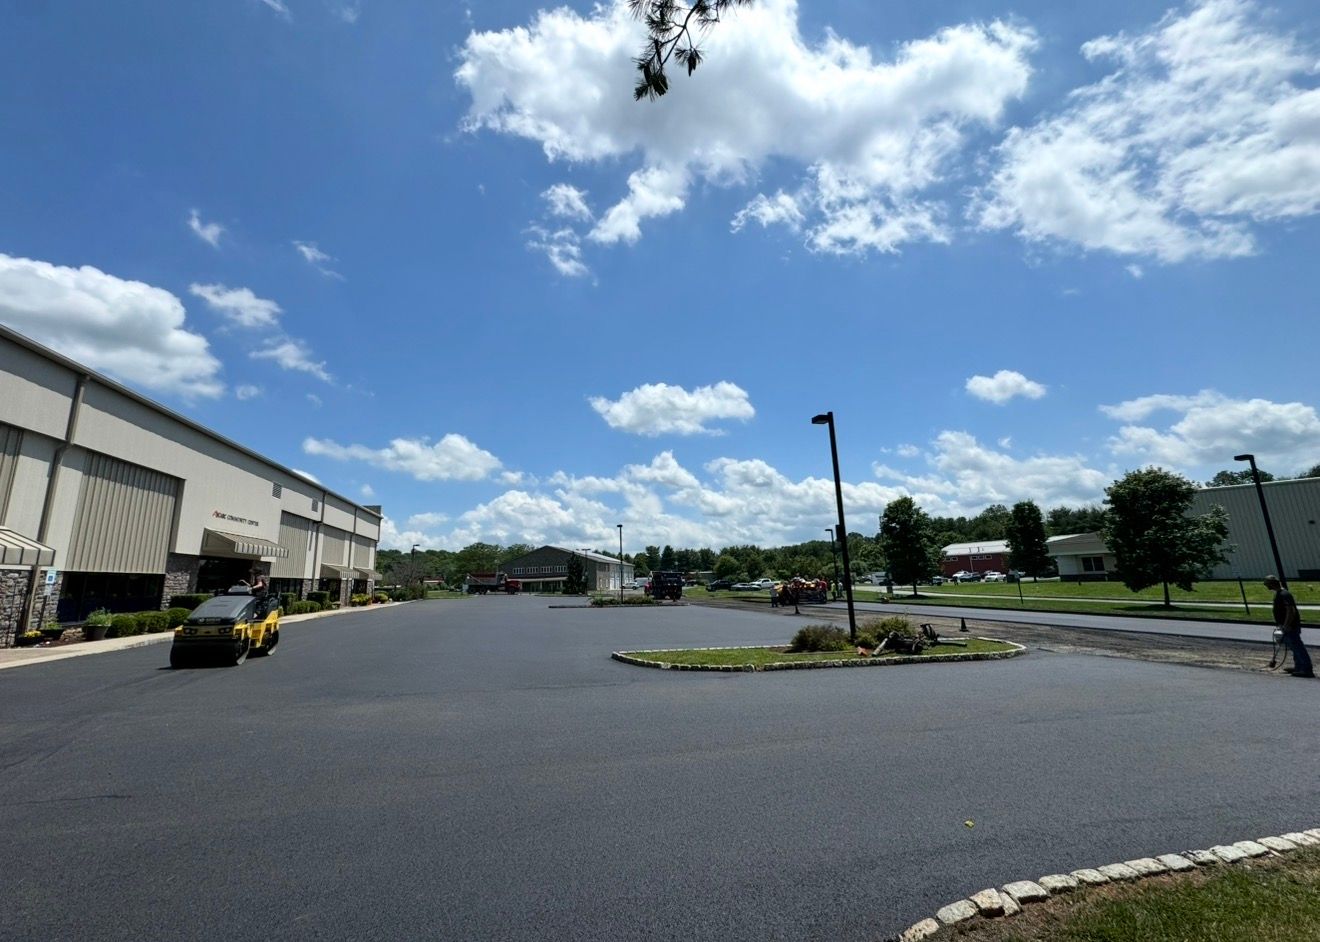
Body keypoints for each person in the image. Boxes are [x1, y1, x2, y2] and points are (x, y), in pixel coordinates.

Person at [1266, 575, 1313, 678]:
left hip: (1290, 626)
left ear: (1273, 583)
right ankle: (1299, 666)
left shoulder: (1284, 594)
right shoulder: (1279, 594)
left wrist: (1286, 625)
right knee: (1294, 647)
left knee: (1298, 647)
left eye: (1267, 584)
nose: (1267, 586)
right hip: (1285, 626)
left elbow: (1291, 611)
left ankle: (1306, 669)